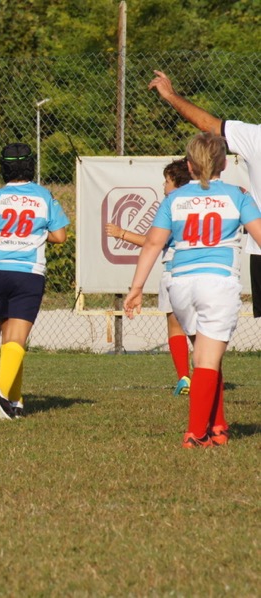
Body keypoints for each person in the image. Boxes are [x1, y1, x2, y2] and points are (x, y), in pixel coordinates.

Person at [124, 132, 261, 448]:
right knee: (207, 360)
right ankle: (196, 433)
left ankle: (218, 426)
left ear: (189, 165)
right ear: (224, 164)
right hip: (217, 283)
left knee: (205, 356)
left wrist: (136, 288)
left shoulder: (174, 199)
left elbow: (153, 244)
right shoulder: (237, 196)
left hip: (180, 284)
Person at [149, 70, 261, 318]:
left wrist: (170, 95)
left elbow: (207, 125)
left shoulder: (255, 137)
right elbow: (208, 125)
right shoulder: (256, 137)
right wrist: (170, 95)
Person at [0, 143, 70, 420]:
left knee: (7, 335)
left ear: (3, 168)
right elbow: (60, 236)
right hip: (27, 272)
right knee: (17, 338)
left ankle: (15, 401)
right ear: (31, 165)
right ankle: (0, 393)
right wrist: (36, 235)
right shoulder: (43, 195)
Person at [105, 158, 192, 395]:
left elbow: (153, 242)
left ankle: (184, 377)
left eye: (166, 181)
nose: (164, 186)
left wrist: (122, 233)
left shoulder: (172, 204)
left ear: (176, 183)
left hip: (175, 270)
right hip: (204, 272)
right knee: (203, 330)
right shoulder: (203, 202)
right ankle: (209, 375)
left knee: (175, 325)